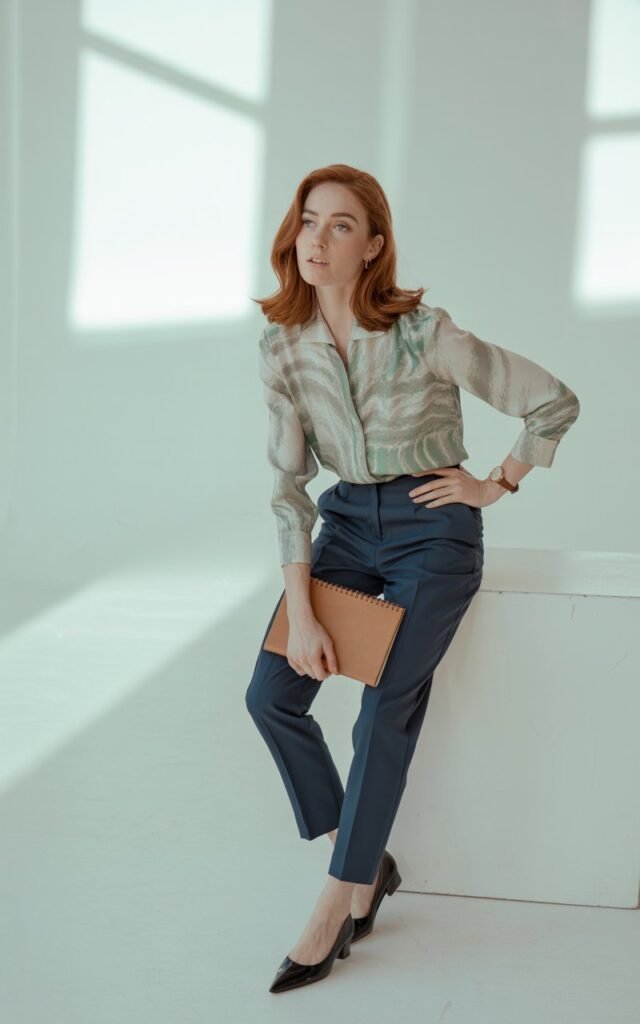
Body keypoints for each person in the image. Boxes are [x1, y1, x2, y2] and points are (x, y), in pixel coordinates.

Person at [245, 164, 580, 994]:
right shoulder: (283, 347)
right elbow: (288, 491)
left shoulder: (425, 333)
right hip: (348, 529)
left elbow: (552, 400)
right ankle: (361, 860)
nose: (318, 240)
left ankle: (335, 907)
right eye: (309, 221)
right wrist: (304, 611)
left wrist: (495, 481)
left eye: (342, 226)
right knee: (270, 694)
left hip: (433, 531)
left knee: (385, 704)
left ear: (374, 247)